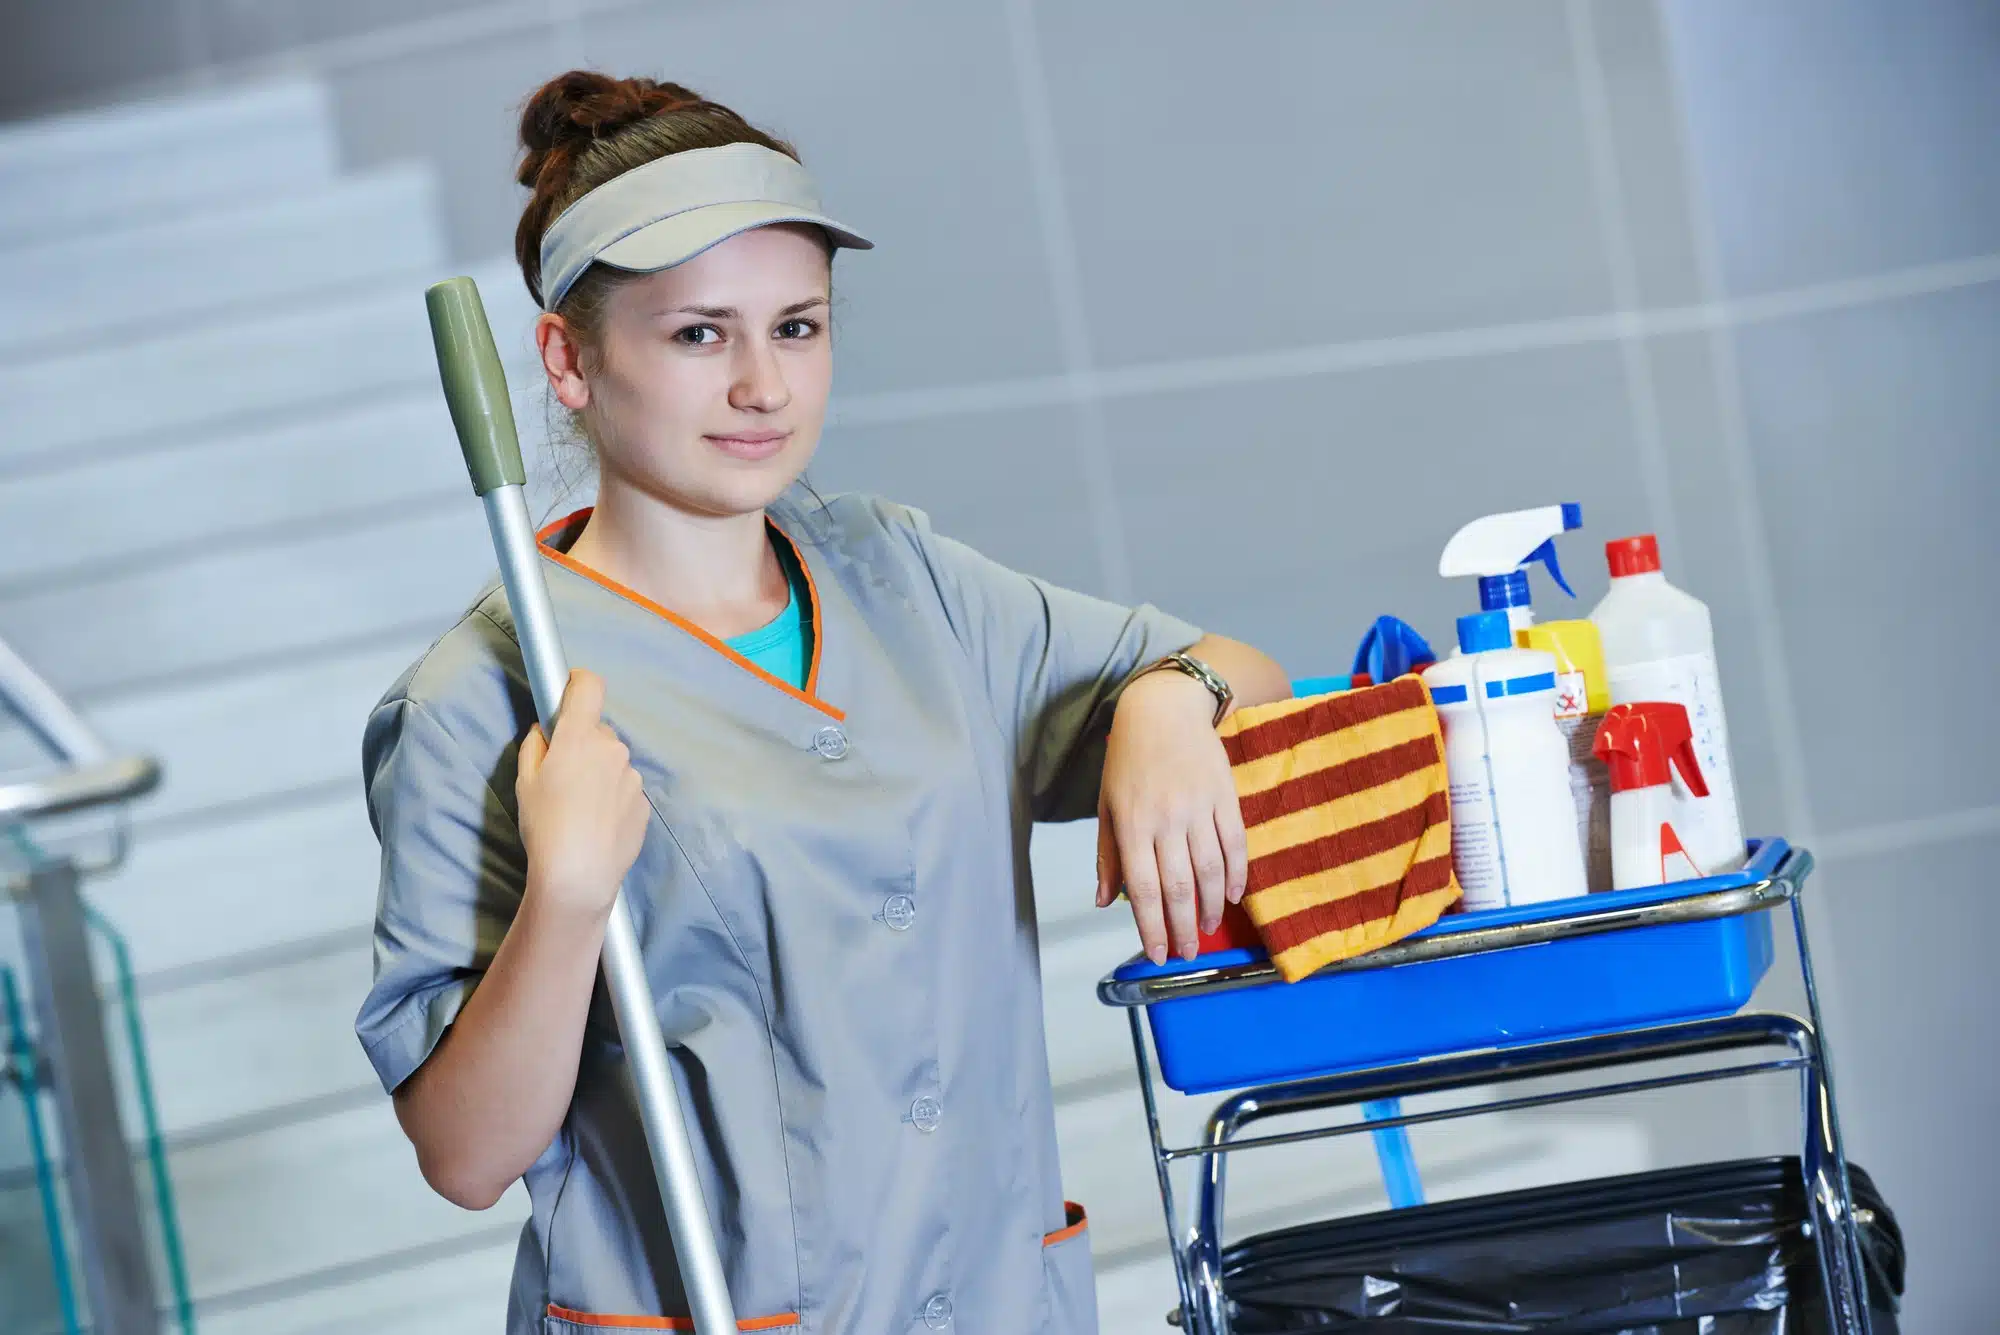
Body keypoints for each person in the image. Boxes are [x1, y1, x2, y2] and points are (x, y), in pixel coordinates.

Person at [355, 71, 1289, 1334]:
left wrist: (1171, 701)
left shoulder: (903, 579)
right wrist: (568, 899)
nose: (762, 386)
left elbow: (1240, 668)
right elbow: (463, 1157)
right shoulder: (483, 700)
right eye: (698, 334)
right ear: (567, 361)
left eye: (797, 326)